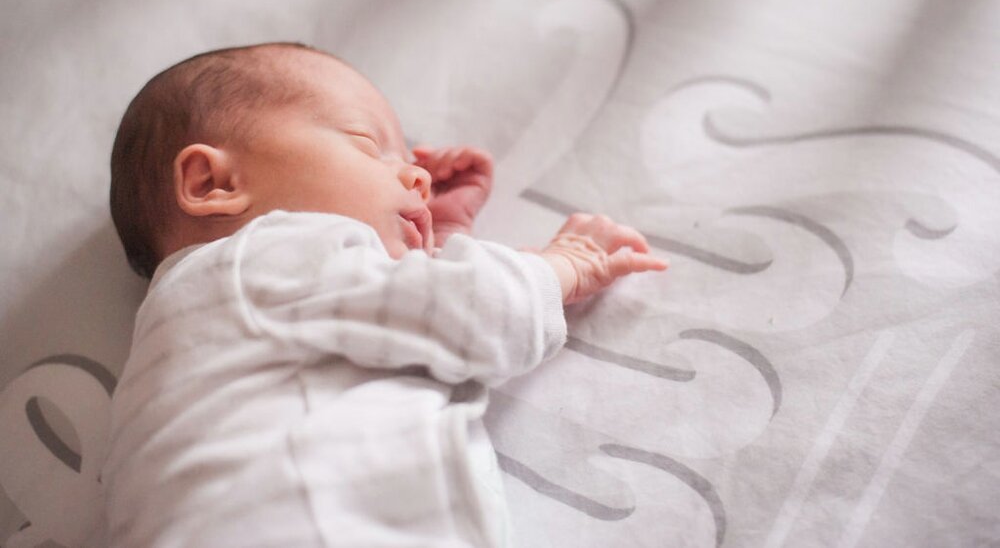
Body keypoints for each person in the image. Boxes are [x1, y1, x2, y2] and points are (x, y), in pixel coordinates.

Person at [103, 42, 668, 547]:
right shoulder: (258, 256)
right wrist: (566, 264)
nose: (417, 176)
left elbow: (415, 323)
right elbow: (473, 313)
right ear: (214, 184)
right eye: (369, 146)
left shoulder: (221, 311)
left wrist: (439, 237)